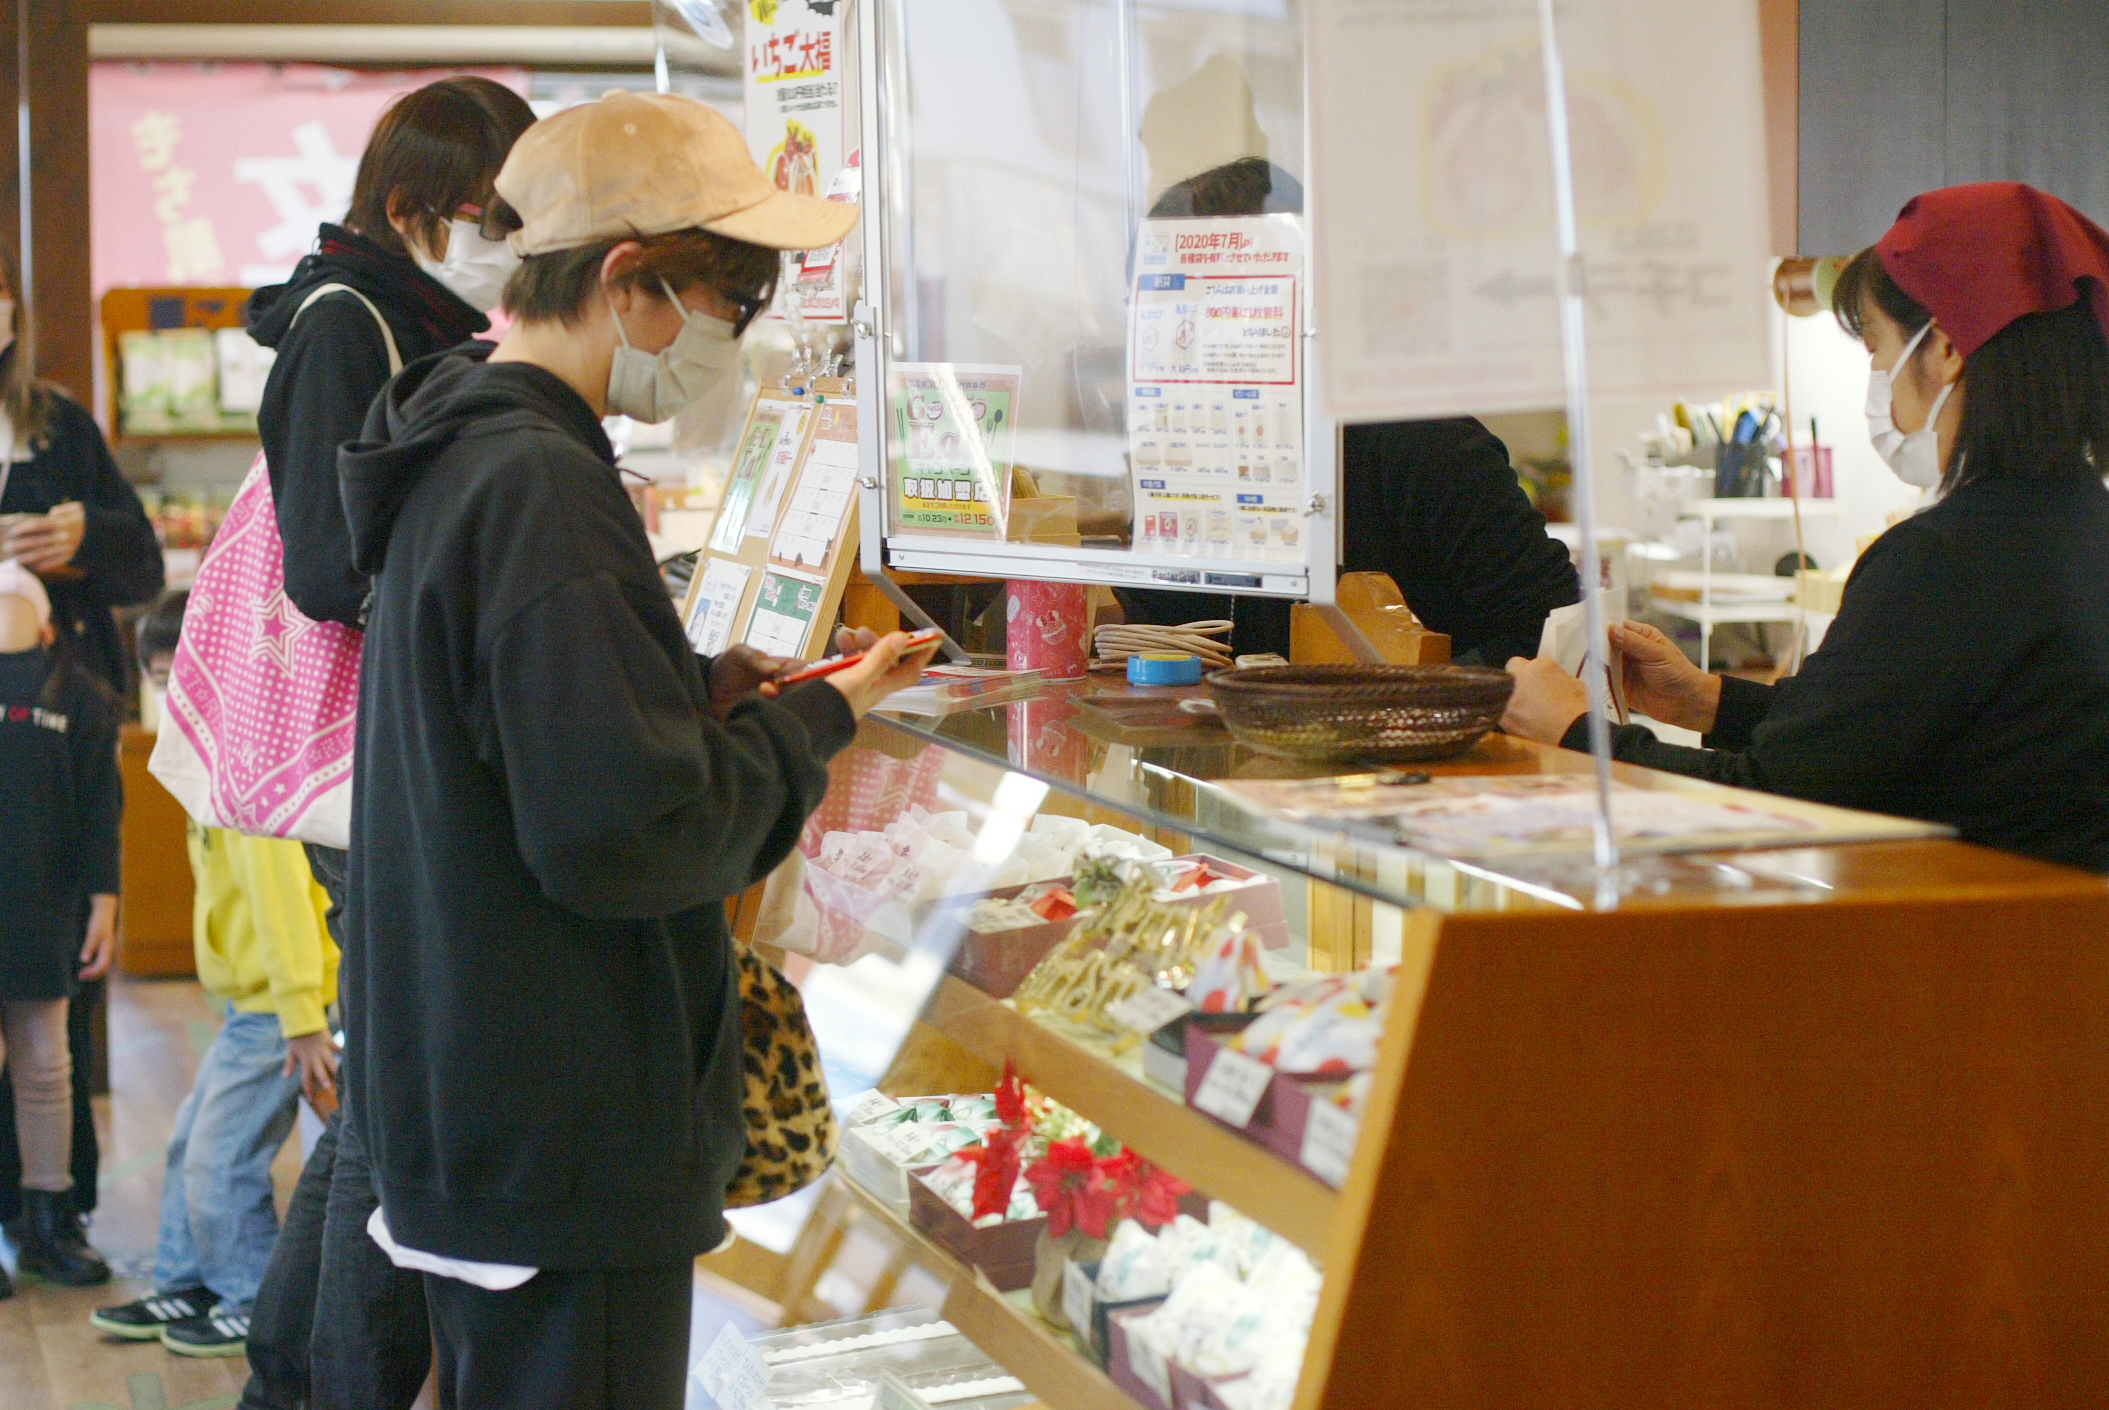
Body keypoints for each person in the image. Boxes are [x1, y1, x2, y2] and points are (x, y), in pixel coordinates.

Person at [335, 91, 933, 1409]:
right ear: (631, 282)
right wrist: (813, 721)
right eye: (733, 300)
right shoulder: (543, 486)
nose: (734, 337)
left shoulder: (468, 454)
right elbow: (626, 831)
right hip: (561, 1133)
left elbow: (527, 744)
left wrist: (692, 689)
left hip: (478, 1105)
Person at [1502, 182, 2109, 873]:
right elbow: (1872, 730)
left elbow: (1777, 802)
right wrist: (1708, 699)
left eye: (1877, 346)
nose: (1877, 373)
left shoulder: (1943, 559)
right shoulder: (2078, 526)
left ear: (1944, 348)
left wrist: (1576, 734)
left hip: (1967, 952)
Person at [235, 75, 535, 1410]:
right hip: (371, 762)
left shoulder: (426, 320)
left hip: (393, 755)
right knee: (392, 1103)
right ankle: (322, 1382)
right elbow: (319, 563)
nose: (508, 243)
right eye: (489, 214)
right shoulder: (346, 327)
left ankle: (288, 1376)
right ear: (414, 207)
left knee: (376, 1105)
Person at [1116, 159, 1578, 662]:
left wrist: (1404, 712)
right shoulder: (1184, 461)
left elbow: (1550, 628)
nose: (1179, 345)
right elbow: (1160, 634)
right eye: (1159, 313)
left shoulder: (1419, 441)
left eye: (1212, 306)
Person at [91, 591, 340, 1357]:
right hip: (249, 1004)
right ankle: (188, 1280)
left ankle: (250, 1299)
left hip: (280, 1010)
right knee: (190, 1145)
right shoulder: (206, 759)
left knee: (219, 1157)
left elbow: (282, 905)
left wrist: (302, 1017)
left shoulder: (245, 765)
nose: (175, 697)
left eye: (183, 676)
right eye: (161, 680)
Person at [0, 242, 161, 1257]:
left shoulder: (56, 424)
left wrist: (83, 536)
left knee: (50, 1011)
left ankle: (55, 1213)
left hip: (55, 726)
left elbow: (140, 559)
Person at [0, 558, 116, 1296]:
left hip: (45, 906)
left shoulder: (80, 696)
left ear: (45, 624)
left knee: (47, 1066)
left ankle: (50, 1224)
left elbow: (103, 807)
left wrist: (105, 899)